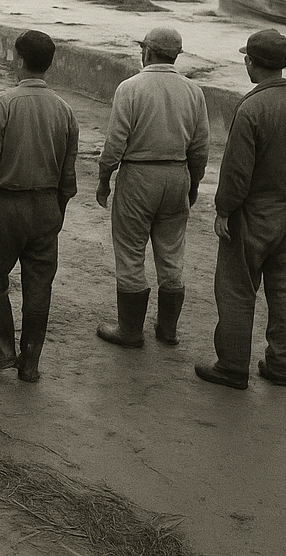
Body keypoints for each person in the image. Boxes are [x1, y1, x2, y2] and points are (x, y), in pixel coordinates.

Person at [194, 29, 286, 390]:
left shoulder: (250, 108)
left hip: (253, 213)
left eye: (246, 59)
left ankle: (233, 366)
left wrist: (224, 210)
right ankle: (281, 367)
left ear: (252, 62)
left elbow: (236, 171)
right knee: (282, 288)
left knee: (236, 288)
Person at [0, 30, 80, 383]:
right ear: (49, 64)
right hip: (47, 205)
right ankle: (29, 363)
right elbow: (69, 173)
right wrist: (57, 210)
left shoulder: (4, 104)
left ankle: (2, 349)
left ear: (19, 60)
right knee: (39, 285)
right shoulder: (64, 110)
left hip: (7, 204)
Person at [96, 26, 209, 349]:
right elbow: (200, 148)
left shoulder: (130, 88)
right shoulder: (193, 91)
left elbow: (115, 144)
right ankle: (168, 329)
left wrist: (105, 179)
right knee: (172, 253)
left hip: (139, 175)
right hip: (177, 173)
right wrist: (194, 183)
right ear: (176, 55)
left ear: (146, 51)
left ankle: (130, 331)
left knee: (131, 252)